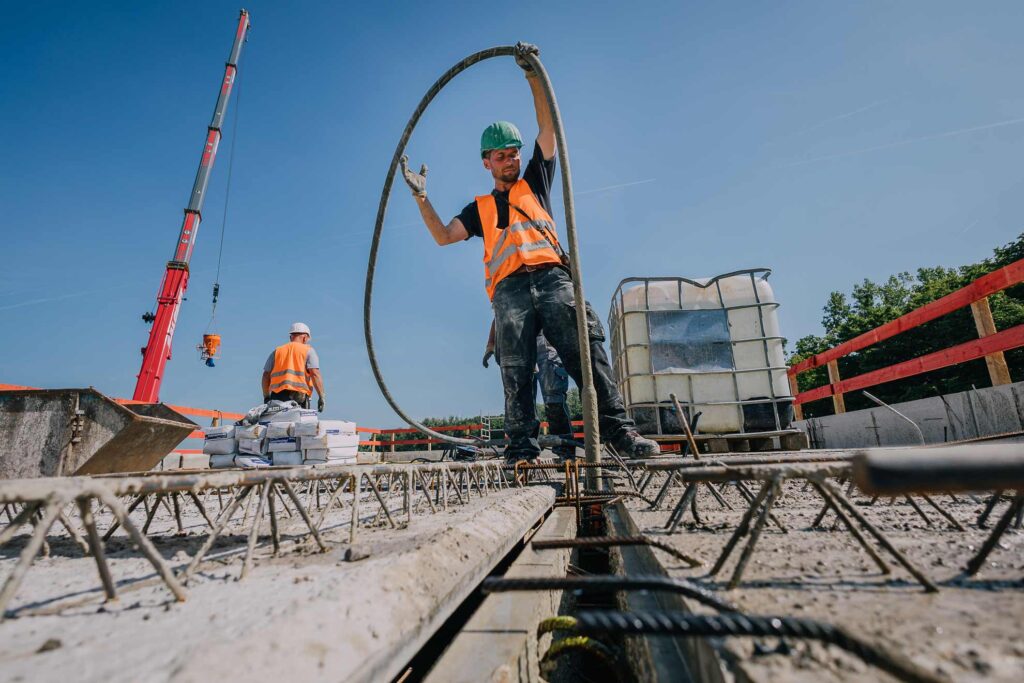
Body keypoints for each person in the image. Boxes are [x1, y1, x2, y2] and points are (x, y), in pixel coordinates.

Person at [401, 42, 658, 463]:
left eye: (514, 153)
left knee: (585, 351)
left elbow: (548, 129)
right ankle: (520, 448)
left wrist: (532, 75)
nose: (511, 160)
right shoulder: (479, 209)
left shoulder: (535, 180)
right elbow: (445, 236)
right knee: (516, 369)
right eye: (501, 156)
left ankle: (618, 432)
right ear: (486, 162)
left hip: (552, 277)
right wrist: (421, 199)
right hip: (510, 290)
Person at [484, 322, 575, 460]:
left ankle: (565, 451)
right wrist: (491, 344)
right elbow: (500, 311)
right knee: (521, 404)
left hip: (546, 341)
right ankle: (524, 452)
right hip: (519, 345)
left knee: (554, 399)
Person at [261, 322, 326, 412]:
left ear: (291, 337)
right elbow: (315, 374)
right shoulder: (308, 351)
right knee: (298, 424)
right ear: (305, 338)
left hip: (276, 397)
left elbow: (265, 375)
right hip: (299, 397)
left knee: (278, 424)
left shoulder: (277, 351)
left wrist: (266, 396)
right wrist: (321, 396)